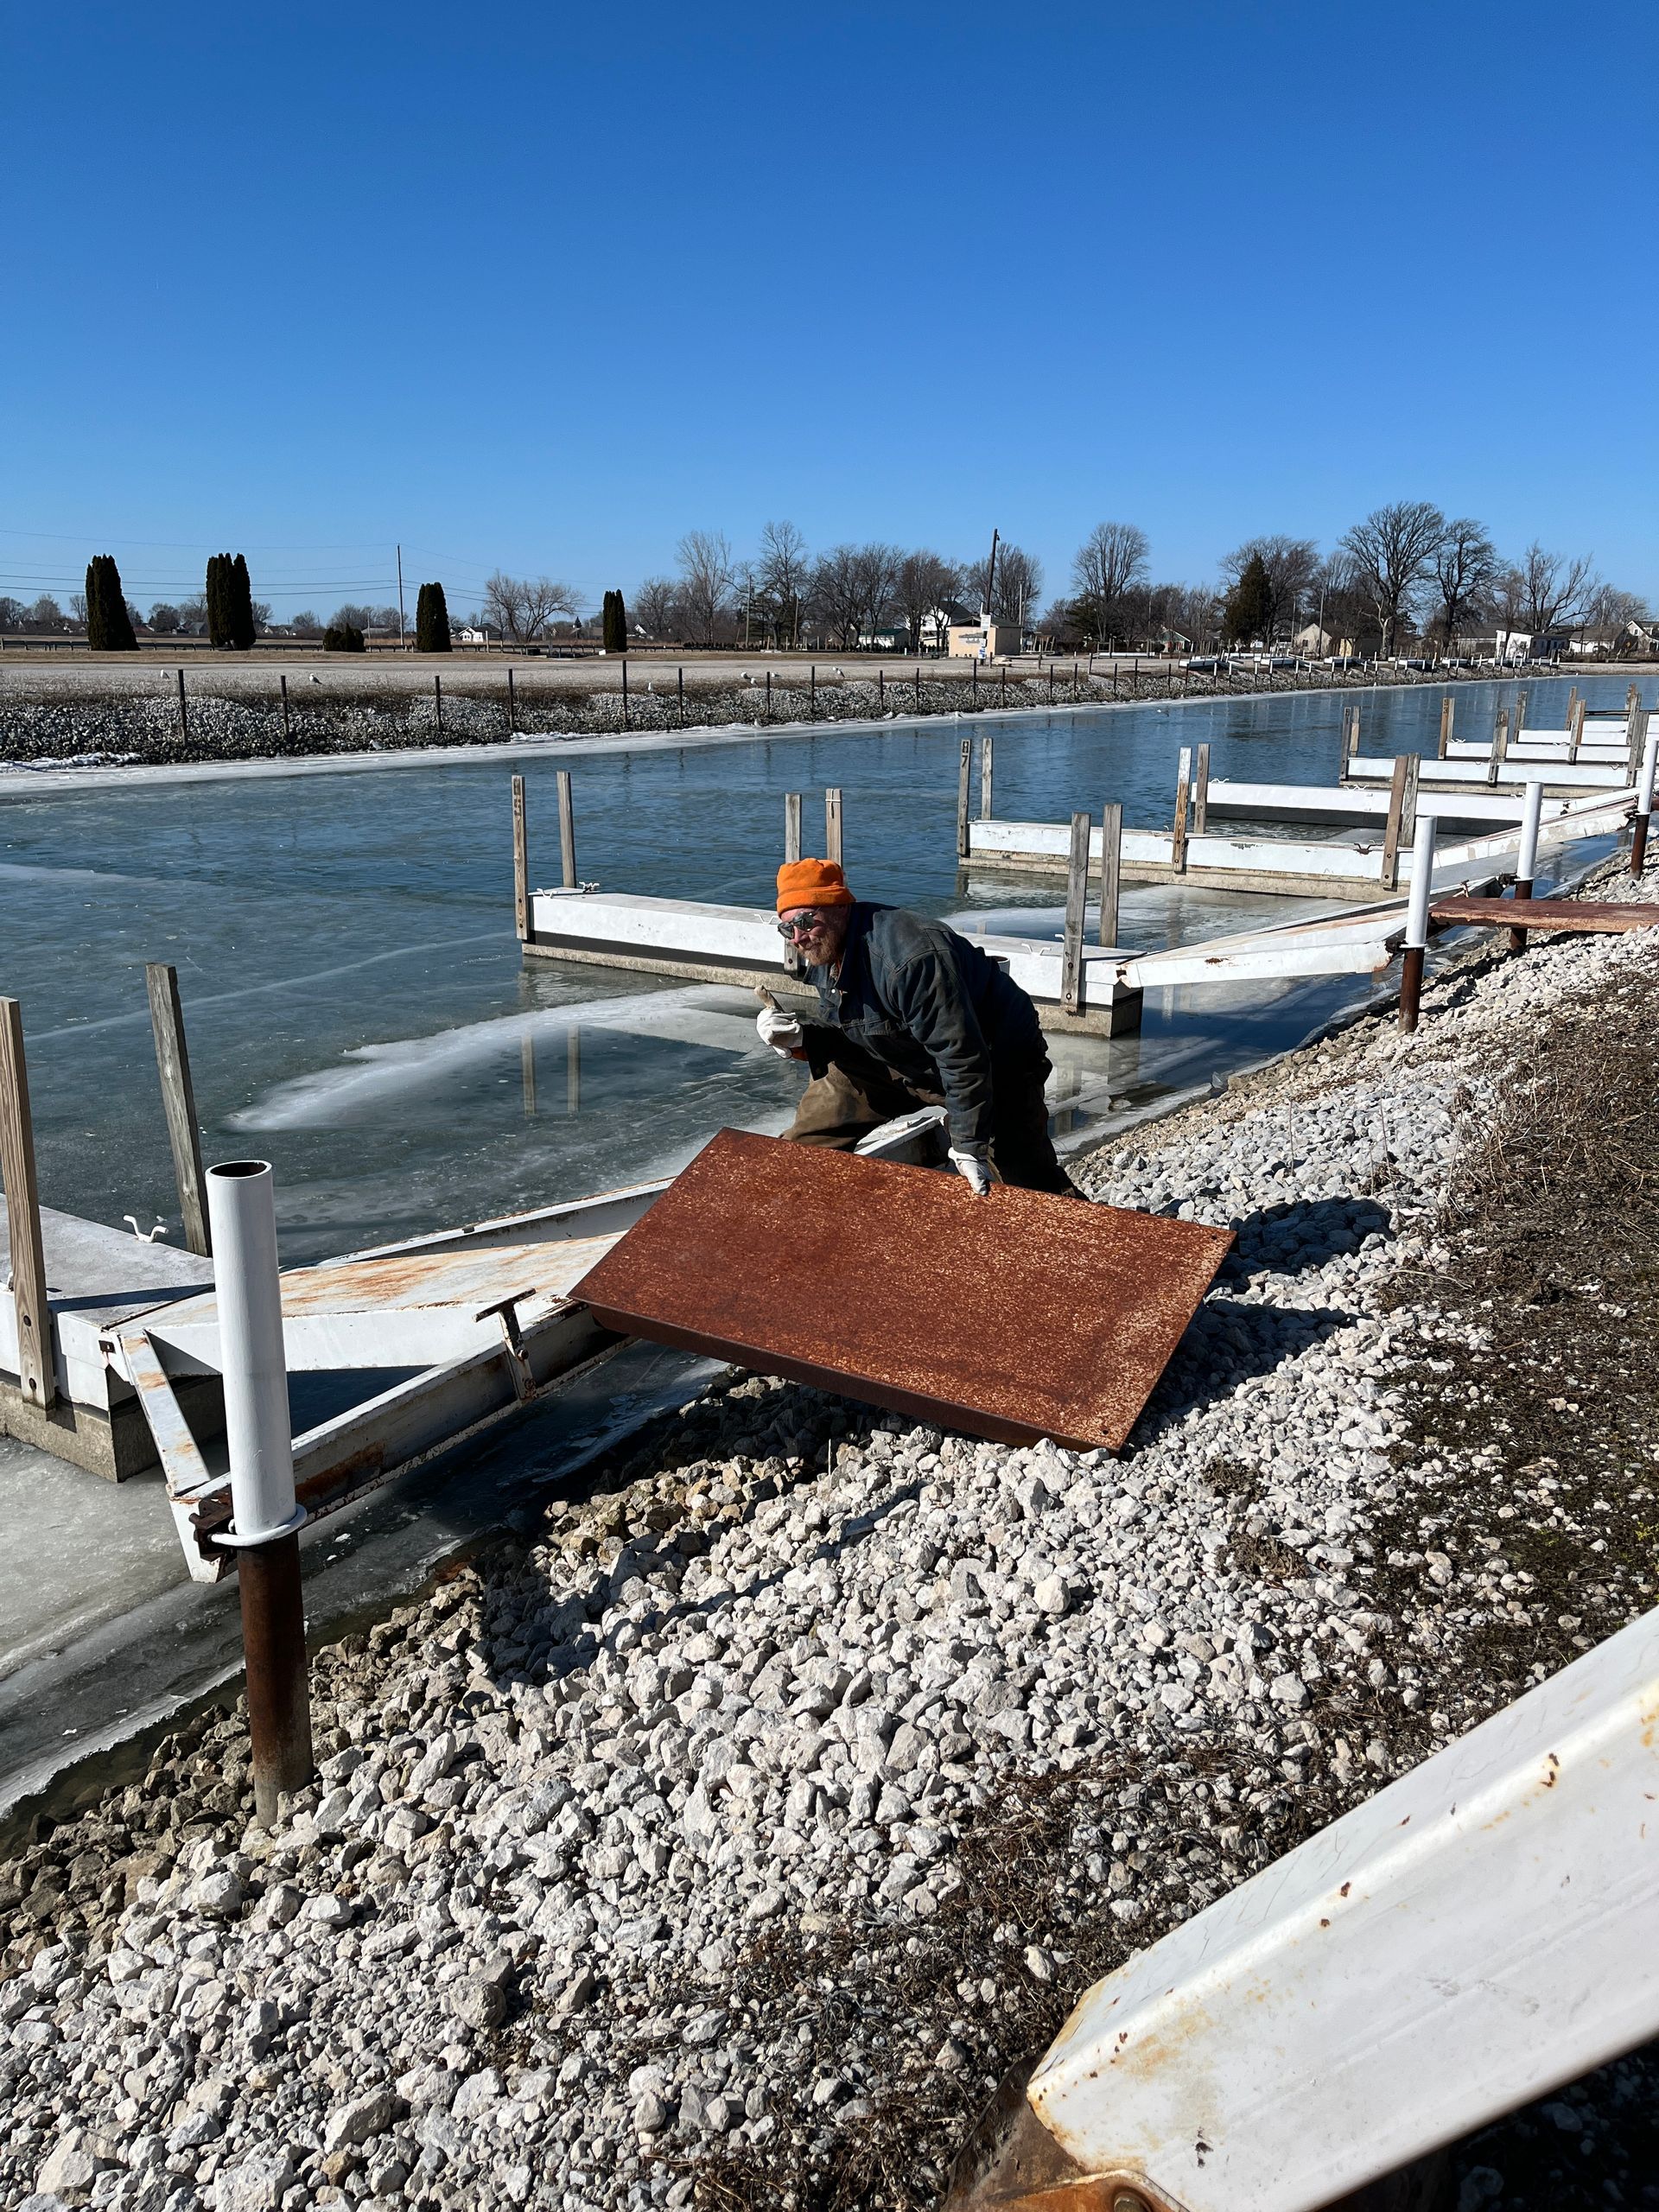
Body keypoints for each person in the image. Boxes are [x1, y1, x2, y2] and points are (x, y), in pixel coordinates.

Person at [757, 857, 1077, 1198]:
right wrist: (801, 1038)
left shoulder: (912, 959)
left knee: (1027, 1181)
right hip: (896, 1056)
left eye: (805, 921)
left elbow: (962, 1057)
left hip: (994, 1061)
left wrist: (968, 1145)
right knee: (800, 1150)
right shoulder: (825, 949)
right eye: (787, 928)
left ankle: (1084, 1227)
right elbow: (850, 1031)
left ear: (839, 906)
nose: (798, 937)